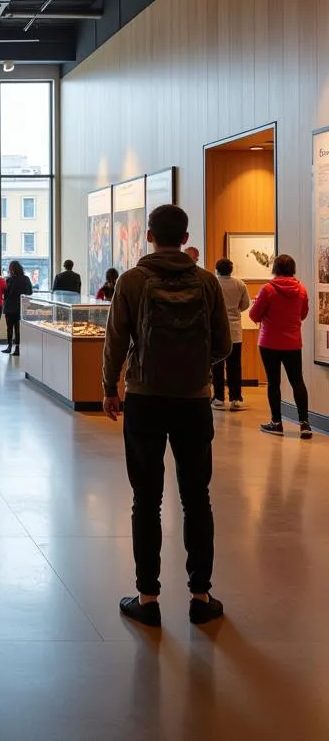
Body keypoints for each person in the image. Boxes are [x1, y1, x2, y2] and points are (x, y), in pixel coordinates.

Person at [102, 204, 231, 628]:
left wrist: (110, 387)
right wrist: (195, 371)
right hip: (194, 401)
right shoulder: (207, 282)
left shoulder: (133, 281)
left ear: (148, 235)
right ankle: (200, 595)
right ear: (186, 235)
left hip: (145, 399)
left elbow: (116, 340)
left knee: (147, 500)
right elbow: (224, 345)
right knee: (197, 498)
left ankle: (148, 598)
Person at [249, 254, 311, 438]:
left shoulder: (268, 290)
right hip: (292, 342)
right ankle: (305, 423)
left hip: (269, 342)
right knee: (297, 381)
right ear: (293, 269)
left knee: (273, 382)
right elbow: (303, 314)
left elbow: (254, 315)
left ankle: (276, 422)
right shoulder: (301, 289)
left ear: (275, 268)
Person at [213, 258, 251, 412]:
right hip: (235, 330)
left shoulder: (213, 283)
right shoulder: (239, 284)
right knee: (234, 365)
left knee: (217, 365)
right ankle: (236, 398)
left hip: (216, 329)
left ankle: (219, 398)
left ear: (217, 269)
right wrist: (235, 312)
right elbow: (246, 304)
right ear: (231, 269)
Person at [2, 260, 33, 355]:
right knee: (18, 329)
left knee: (9, 328)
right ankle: (18, 348)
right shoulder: (26, 279)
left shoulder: (9, 280)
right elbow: (30, 292)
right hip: (21, 307)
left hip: (10, 307)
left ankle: (9, 347)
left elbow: (5, 294)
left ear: (11, 269)